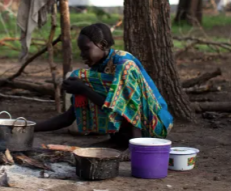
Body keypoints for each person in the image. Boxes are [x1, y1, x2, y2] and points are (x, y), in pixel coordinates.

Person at [34, 23, 174, 152]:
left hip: (153, 126)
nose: (82, 55)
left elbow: (132, 108)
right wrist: (28, 128)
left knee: (83, 80)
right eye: (81, 50)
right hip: (129, 132)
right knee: (80, 79)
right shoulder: (98, 70)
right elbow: (69, 117)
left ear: (103, 44)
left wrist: (84, 89)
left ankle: (134, 144)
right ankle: (120, 140)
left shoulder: (125, 63)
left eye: (86, 49)